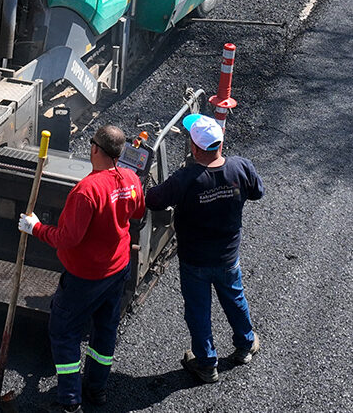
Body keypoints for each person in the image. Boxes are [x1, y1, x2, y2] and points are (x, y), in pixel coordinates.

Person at [19, 125, 146, 413]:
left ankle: (70, 402)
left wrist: (35, 227)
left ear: (94, 149)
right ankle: (96, 389)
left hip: (85, 277)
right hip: (118, 270)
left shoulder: (86, 192)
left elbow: (68, 238)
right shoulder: (131, 178)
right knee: (105, 330)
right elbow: (137, 211)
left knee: (64, 333)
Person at [146, 113, 264, 384]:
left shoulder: (186, 179)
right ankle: (246, 344)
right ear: (220, 144)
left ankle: (206, 363)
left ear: (194, 148)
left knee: (198, 311)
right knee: (235, 300)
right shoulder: (240, 168)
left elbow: (153, 200)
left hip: (194, 260)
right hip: (227, 258)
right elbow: (258, 192)